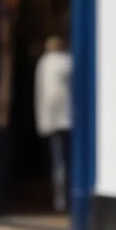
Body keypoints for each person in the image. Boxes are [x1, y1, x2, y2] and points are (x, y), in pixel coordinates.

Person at [34, 36, 73, 214]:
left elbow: (40, 95)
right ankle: (63, 200)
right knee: (63, 163)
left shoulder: (46, 63)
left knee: (60, 163)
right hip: (66, 119)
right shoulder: (67, 61)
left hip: (58, 120)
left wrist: (43, 122)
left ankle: (62, 201)